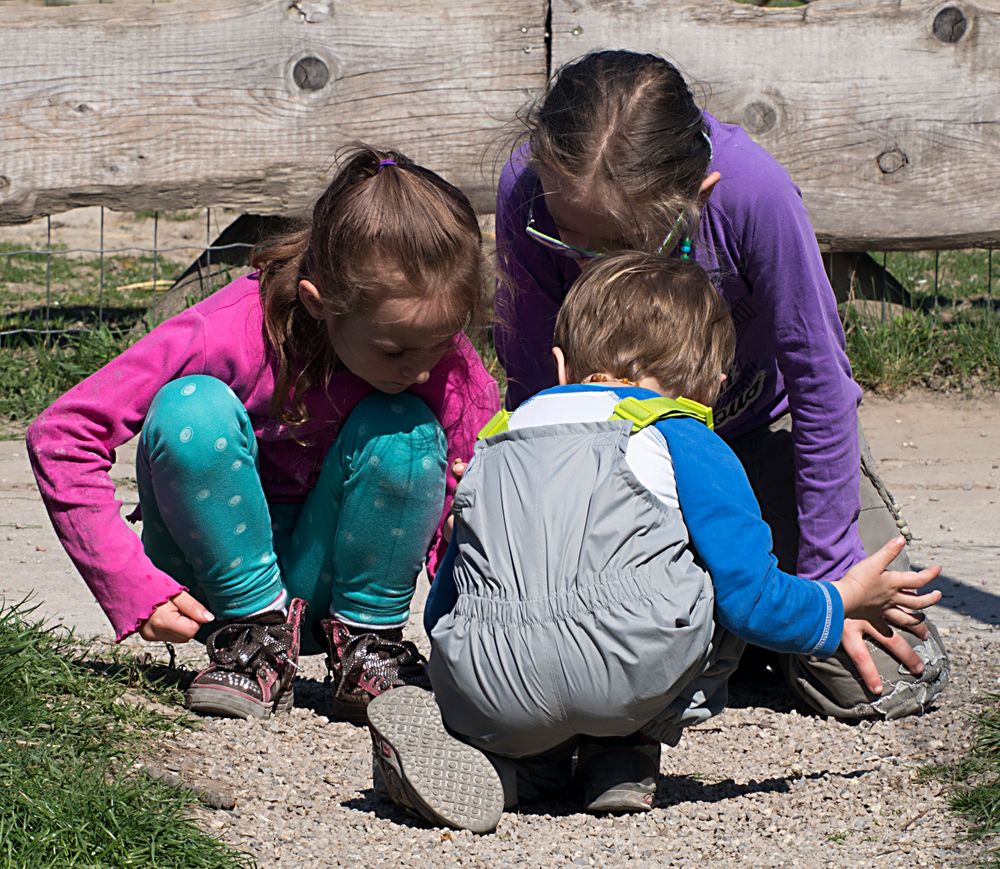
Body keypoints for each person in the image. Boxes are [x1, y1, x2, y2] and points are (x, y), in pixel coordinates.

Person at [364, 252, 943, 834]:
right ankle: (626, 752)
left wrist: (459, 689)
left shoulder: (496, 438)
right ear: (713, 386)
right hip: (630, 673)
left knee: (529, 643)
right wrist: (839, 600)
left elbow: (447, 599)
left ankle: (519, 771)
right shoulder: (682, 434)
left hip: (490, 680)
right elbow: (750, 597)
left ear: (561, 366)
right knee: (704, 570)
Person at [492, 49, 947, 720]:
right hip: (615, 463)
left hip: (757, 437)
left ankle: (747, 609)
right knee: (596, 674)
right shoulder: (531, 189)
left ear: (696, 199)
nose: (589, 262)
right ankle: (733, 617)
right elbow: (535, 384)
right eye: (572, 243)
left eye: (618, 244)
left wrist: (830, 573)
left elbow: (820, 380)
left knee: (868, 680)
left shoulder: (752, 195)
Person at [26, 146, 499, 722]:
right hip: (210, 583)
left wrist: (478, 642)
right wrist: (129, 583)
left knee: (407, 433)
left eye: (442, 342)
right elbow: (62, 435)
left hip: (326, 588)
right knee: (189, 410)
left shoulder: (449, 368)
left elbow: (474, 515)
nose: (424, 369)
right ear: (317, 302)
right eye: (396, 349)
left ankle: (368, 647)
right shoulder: (226, 332)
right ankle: (254, 640)